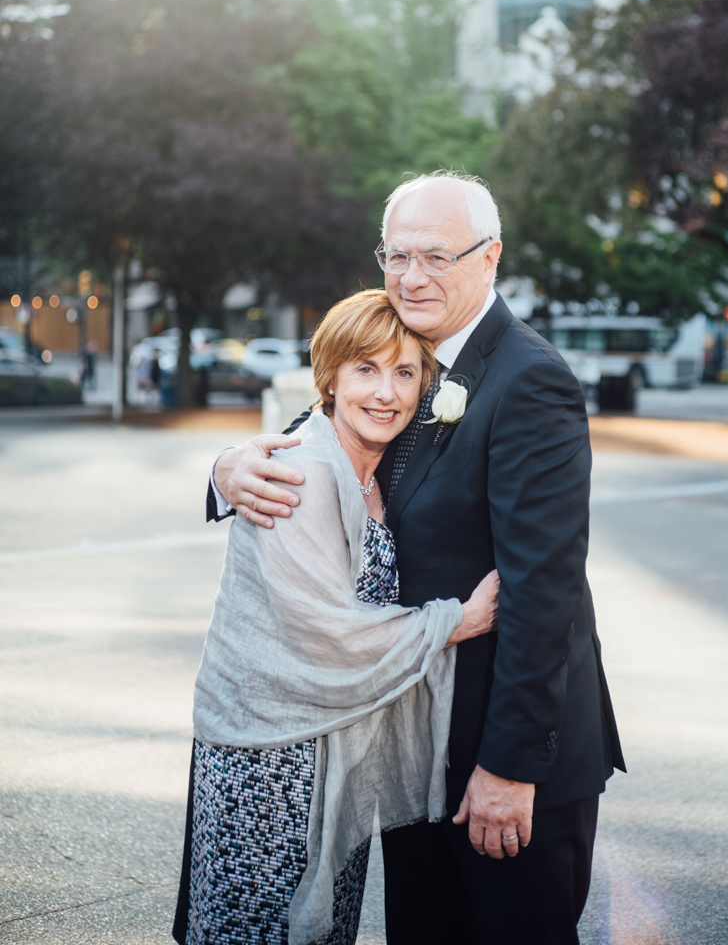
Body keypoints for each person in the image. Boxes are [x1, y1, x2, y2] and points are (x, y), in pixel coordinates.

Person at [210, 173, 626, 945]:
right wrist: (226, 468)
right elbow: (319, 426)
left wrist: (509, 769)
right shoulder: (403, 357)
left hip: (499, 757)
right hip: (414, 748)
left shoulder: (529, 380)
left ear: (490, 257)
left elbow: (542, 594)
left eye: (435, 256)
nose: (410, 277)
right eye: (396, 256)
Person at [174, 288, 499, 945]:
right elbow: (328, 638)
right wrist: (457, 621)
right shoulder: (297, 471)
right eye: (366, 370)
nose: (386, 392)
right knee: (260, 930)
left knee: (324, 931)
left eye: (405, 373)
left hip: (341, 757)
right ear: (331, 378)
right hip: (269, 762)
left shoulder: (393, 463)